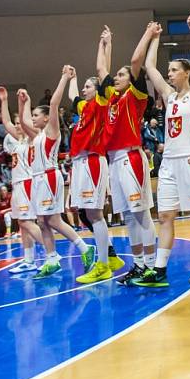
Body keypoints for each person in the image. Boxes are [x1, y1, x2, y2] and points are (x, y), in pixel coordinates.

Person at [136, 16, 190, 288]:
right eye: (168, 70)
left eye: (173, 70)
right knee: (165, 215)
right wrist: (155, 37)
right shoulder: (169, 97)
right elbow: (148, 66)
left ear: (185, 73)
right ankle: (159, 270)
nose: (168, 74)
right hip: (169, 164)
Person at [69, 26, 147, 284]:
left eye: (122, 74)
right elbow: (100, 74)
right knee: (116, 215)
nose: (115, 78)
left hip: (113, 158)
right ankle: (129, 263)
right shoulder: (103, 101)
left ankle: (142, 265)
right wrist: (103, 43)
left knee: (130, 214)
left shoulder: (116, 99)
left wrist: (108, 45)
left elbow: (105, 70)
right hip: (110, 160)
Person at [18, 72, 96, 279]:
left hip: (49, 177)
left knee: (52, 220)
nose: (33, 118)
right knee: (42, 222)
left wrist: (63, 77)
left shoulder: (52, 130)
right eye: (33, 114)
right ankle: (51, 259)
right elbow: (24, 122)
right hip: (37, 179)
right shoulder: (37, 135)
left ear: (46, 117)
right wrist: (23, 102)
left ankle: (85, 248)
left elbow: (53, 103)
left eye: (36, 115)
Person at [0, 87, 44, 273]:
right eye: (16, 123)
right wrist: (4, 100)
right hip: (17, 184)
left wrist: (24, 102)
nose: (16, 125)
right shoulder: (17, 140)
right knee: (22, 224)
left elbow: (22, 122)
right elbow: (6, 121)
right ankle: (29, 260)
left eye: (20, 123)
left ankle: (52, 251)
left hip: (27, 182)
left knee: (26, 222)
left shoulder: (32, 139)